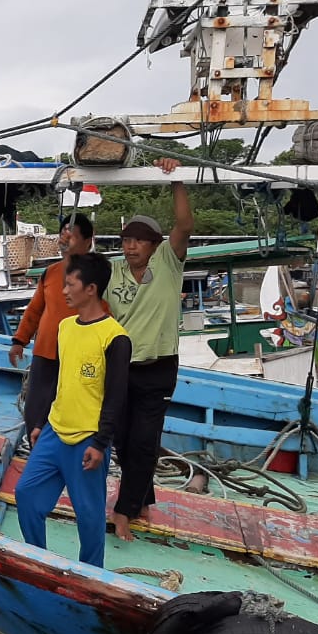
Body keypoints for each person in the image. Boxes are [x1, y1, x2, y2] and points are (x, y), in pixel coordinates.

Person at [15, 252, 131, 568]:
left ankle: (91, 575)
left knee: (89, 517)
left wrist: (101, 442)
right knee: (26, 495)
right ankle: (39, 561)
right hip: (54, 429)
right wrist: (39, 422)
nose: (64, 291)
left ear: (90, 288)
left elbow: (116, 397)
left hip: (88, 439)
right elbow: (59, 382)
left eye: (70, 285)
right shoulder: (65, 327)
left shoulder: (115, 338)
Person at [105, 158, 192, 540]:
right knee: (123, 440)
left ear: (154, 244)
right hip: (122, 366)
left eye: (138, 240)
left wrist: (175, 180)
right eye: (126, 240)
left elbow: (185, 225)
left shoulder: (168, 261)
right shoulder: (114, 271)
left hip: (159, 366)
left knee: (143, 440)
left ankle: (124, 511)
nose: (130, 246)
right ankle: (142, 498)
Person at [9, 214, 96, 433]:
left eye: (72, 237)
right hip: (45, 352)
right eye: (62, 235)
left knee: (70, 414)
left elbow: (106, 313)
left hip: (79, 356)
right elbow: (35, 310)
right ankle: (38, 458)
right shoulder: (50, 272)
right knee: (36, 411)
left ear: (88, 241)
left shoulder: (98, 275)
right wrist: (19, 340)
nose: (64, 241)